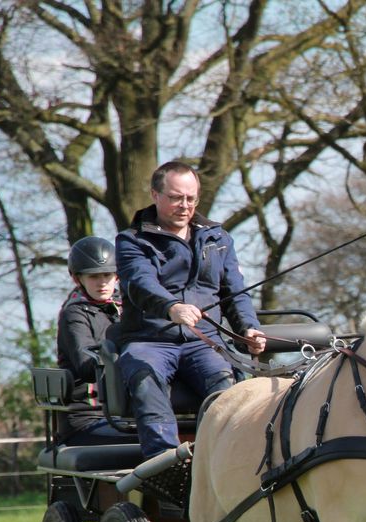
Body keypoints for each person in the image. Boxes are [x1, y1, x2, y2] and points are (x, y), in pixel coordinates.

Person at [114, 160, 266, 458]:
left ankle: (227, 460)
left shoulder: (218, 239)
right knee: (145, 375)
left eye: (191, 198)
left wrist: (248, 327)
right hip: (150, 340)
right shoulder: (132, 241)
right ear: (155, 195)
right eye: (175, 197)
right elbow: (140, 283)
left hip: (204, 342)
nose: (184, 205)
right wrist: (172, 307)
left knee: (227, 385)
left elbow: (234, 290)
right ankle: (167, 464)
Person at [54, 236, 133, 446]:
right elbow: (87, 367)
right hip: (89, 417)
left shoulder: (127, 306)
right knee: (151, 438)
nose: (102, 282)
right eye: (93, 276)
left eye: (107, 274)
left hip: (127, 413)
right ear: (77, 278)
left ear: (117, 276)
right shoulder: (74, 314)